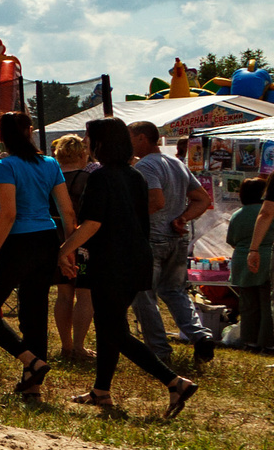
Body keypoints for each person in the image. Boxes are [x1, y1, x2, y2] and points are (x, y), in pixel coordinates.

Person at [59, 116, 198, 415]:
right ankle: (101, 391)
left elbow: (92, 223)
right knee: (112, 325)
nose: (85, 143)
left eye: (88, 137)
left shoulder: (101, 177)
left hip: (110, 262)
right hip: (136, 260)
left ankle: (175, 382)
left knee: (114, 332)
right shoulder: (135, 176)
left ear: (100, 142)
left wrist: (64, 250)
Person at [0, 110, 75, 399]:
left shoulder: (6, 166)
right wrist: (68, 251)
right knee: (34, 311)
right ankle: (33, 385)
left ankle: (30, 361)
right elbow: (67, 212)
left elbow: (8, 214)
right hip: (46, 240)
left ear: (1, 136)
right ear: (30, 130)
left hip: (17, 243)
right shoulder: (51, 163)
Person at [128, 121, 215, 368]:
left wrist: (129, 217)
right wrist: (183, 217)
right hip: (177, 237)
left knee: (144, 295)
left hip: (153, 237)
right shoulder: (177, 163)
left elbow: (155, 200)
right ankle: (200, 335)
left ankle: (159, 350)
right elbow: (202, 199)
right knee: (174, 291)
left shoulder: (145, 165)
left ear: (142, 138)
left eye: (130, 138)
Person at [52, 133, 94, 362]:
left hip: (55, 236)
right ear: (81, 154)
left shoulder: (52, 178)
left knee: (63, 293)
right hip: (81, 237)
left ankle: (66, 346)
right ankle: (79, 346)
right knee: (85, 294)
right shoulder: (88, 178)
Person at [224, 177, 267, 352]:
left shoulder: (237, 214)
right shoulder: (268, 212)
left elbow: (232, 240)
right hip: (266, 260)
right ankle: (268, 342)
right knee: (267, 305)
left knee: (248, 306)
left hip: (242, 262)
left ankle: (249, 341)